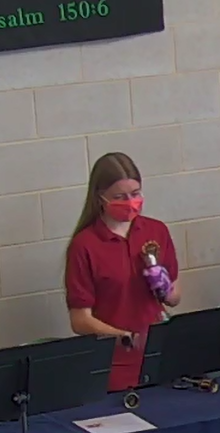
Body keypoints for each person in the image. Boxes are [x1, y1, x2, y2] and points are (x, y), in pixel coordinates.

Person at [65, 152, 181, 392]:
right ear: (100, 198)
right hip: (114, 367)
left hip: (160, 360)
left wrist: (166, 288)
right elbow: (80, 320)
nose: (130, 202)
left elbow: (175, 298)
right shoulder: (85, 245)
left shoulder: (156, 231)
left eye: (135, 194)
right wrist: (125, 336)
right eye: (119, 197)